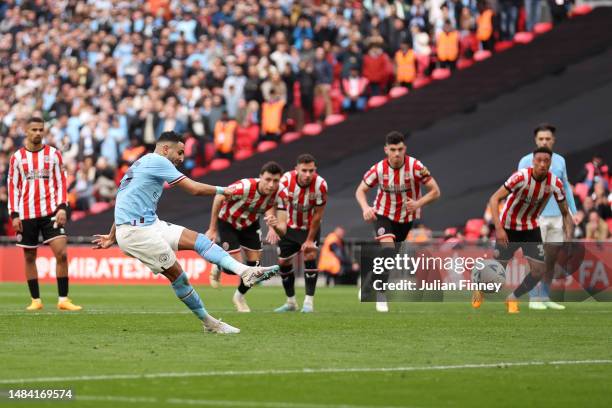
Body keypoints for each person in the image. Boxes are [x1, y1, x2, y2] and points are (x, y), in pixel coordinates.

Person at [92, 131, 278, 333]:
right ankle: (210, 323)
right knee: (179, 277)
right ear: (165, 149)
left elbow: (124, 200)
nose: (182, 158)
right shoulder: (158, 161)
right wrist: (223, 190)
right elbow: (194, 189)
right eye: (179, 152)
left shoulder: (141, 162)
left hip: (148, 224)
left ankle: (246, 271)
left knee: (199, 240)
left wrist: (112, 235)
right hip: (137, 232)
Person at [473, 147, 574, 314]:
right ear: (533, 161)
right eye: (539, 160)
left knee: (539, 270)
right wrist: (498, 229)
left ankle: (512, 298)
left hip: (530, 228)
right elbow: (494, 198)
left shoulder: (555, 183)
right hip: (508, 227)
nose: (542, 164)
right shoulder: (521, 177)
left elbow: (565, 212)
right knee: (499, 270)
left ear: (550, 163)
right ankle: (481, 289)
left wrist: (569, 237)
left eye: (546, 161)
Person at [355, 131, 441, 312]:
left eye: (400, 149)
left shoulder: (415, 167)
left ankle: (370, 279)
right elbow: (360, 190)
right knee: (387, 250)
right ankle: (381, 294)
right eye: (392, 149)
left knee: (391, 256)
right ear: (386, 150)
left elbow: (435, 191)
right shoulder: (378, 169)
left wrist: (418, 203)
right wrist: (365, 208)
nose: (396, 154)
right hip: (383, 215)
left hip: (406, 218)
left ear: (405, 149)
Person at [7, 117, 81, 311]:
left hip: (51, 213)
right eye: (34, 129)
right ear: (26, 131)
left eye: (41, 129)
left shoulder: (53, 154)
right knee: (30, 257)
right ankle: (36, 300)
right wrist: (14, 214)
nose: (38, 133)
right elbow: (13, 187)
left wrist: (62, 207)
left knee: (62, 253)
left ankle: (63, 299)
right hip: (26, 213)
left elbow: (61, 182)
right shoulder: (17, 158)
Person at [206, 162, 287, 312]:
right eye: (268, 179)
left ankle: (239, 297)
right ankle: (218, 265)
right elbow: (219, 197)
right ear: (261, 177)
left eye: (275, 181)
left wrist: (274, 226)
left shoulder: (281, 194)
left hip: (250, 225)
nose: (271, 184)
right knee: (233, 269)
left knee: (254, 269)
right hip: (228, 222)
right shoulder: (245, 186)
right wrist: (212, 229)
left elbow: (282, 229)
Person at [517, 123, 577, 310]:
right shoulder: (526, 161)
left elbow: (565, 187)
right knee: (535, 259)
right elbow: (518, 189)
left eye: (548, 139)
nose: (544, 141)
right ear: (535, 141)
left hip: (557, 216)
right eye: (541, 139)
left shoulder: (560, 161)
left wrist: (573, 212)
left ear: (553, 140)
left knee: (550, 259)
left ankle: (544, 296)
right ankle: (533, 298)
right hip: (535, 217)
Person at [269, 154, 328, 313]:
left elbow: (318, 214)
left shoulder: (321, 185)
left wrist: (309, 240)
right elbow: (271, 202)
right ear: (296, 169)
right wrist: (272, 227)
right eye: (304, 171)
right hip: (287, 227)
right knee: (283, 263)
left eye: (311, 171)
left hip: (310, 227)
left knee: (309, 255)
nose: (308, 175)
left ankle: (309, 302)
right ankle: (291, 302)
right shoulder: (285, 181)